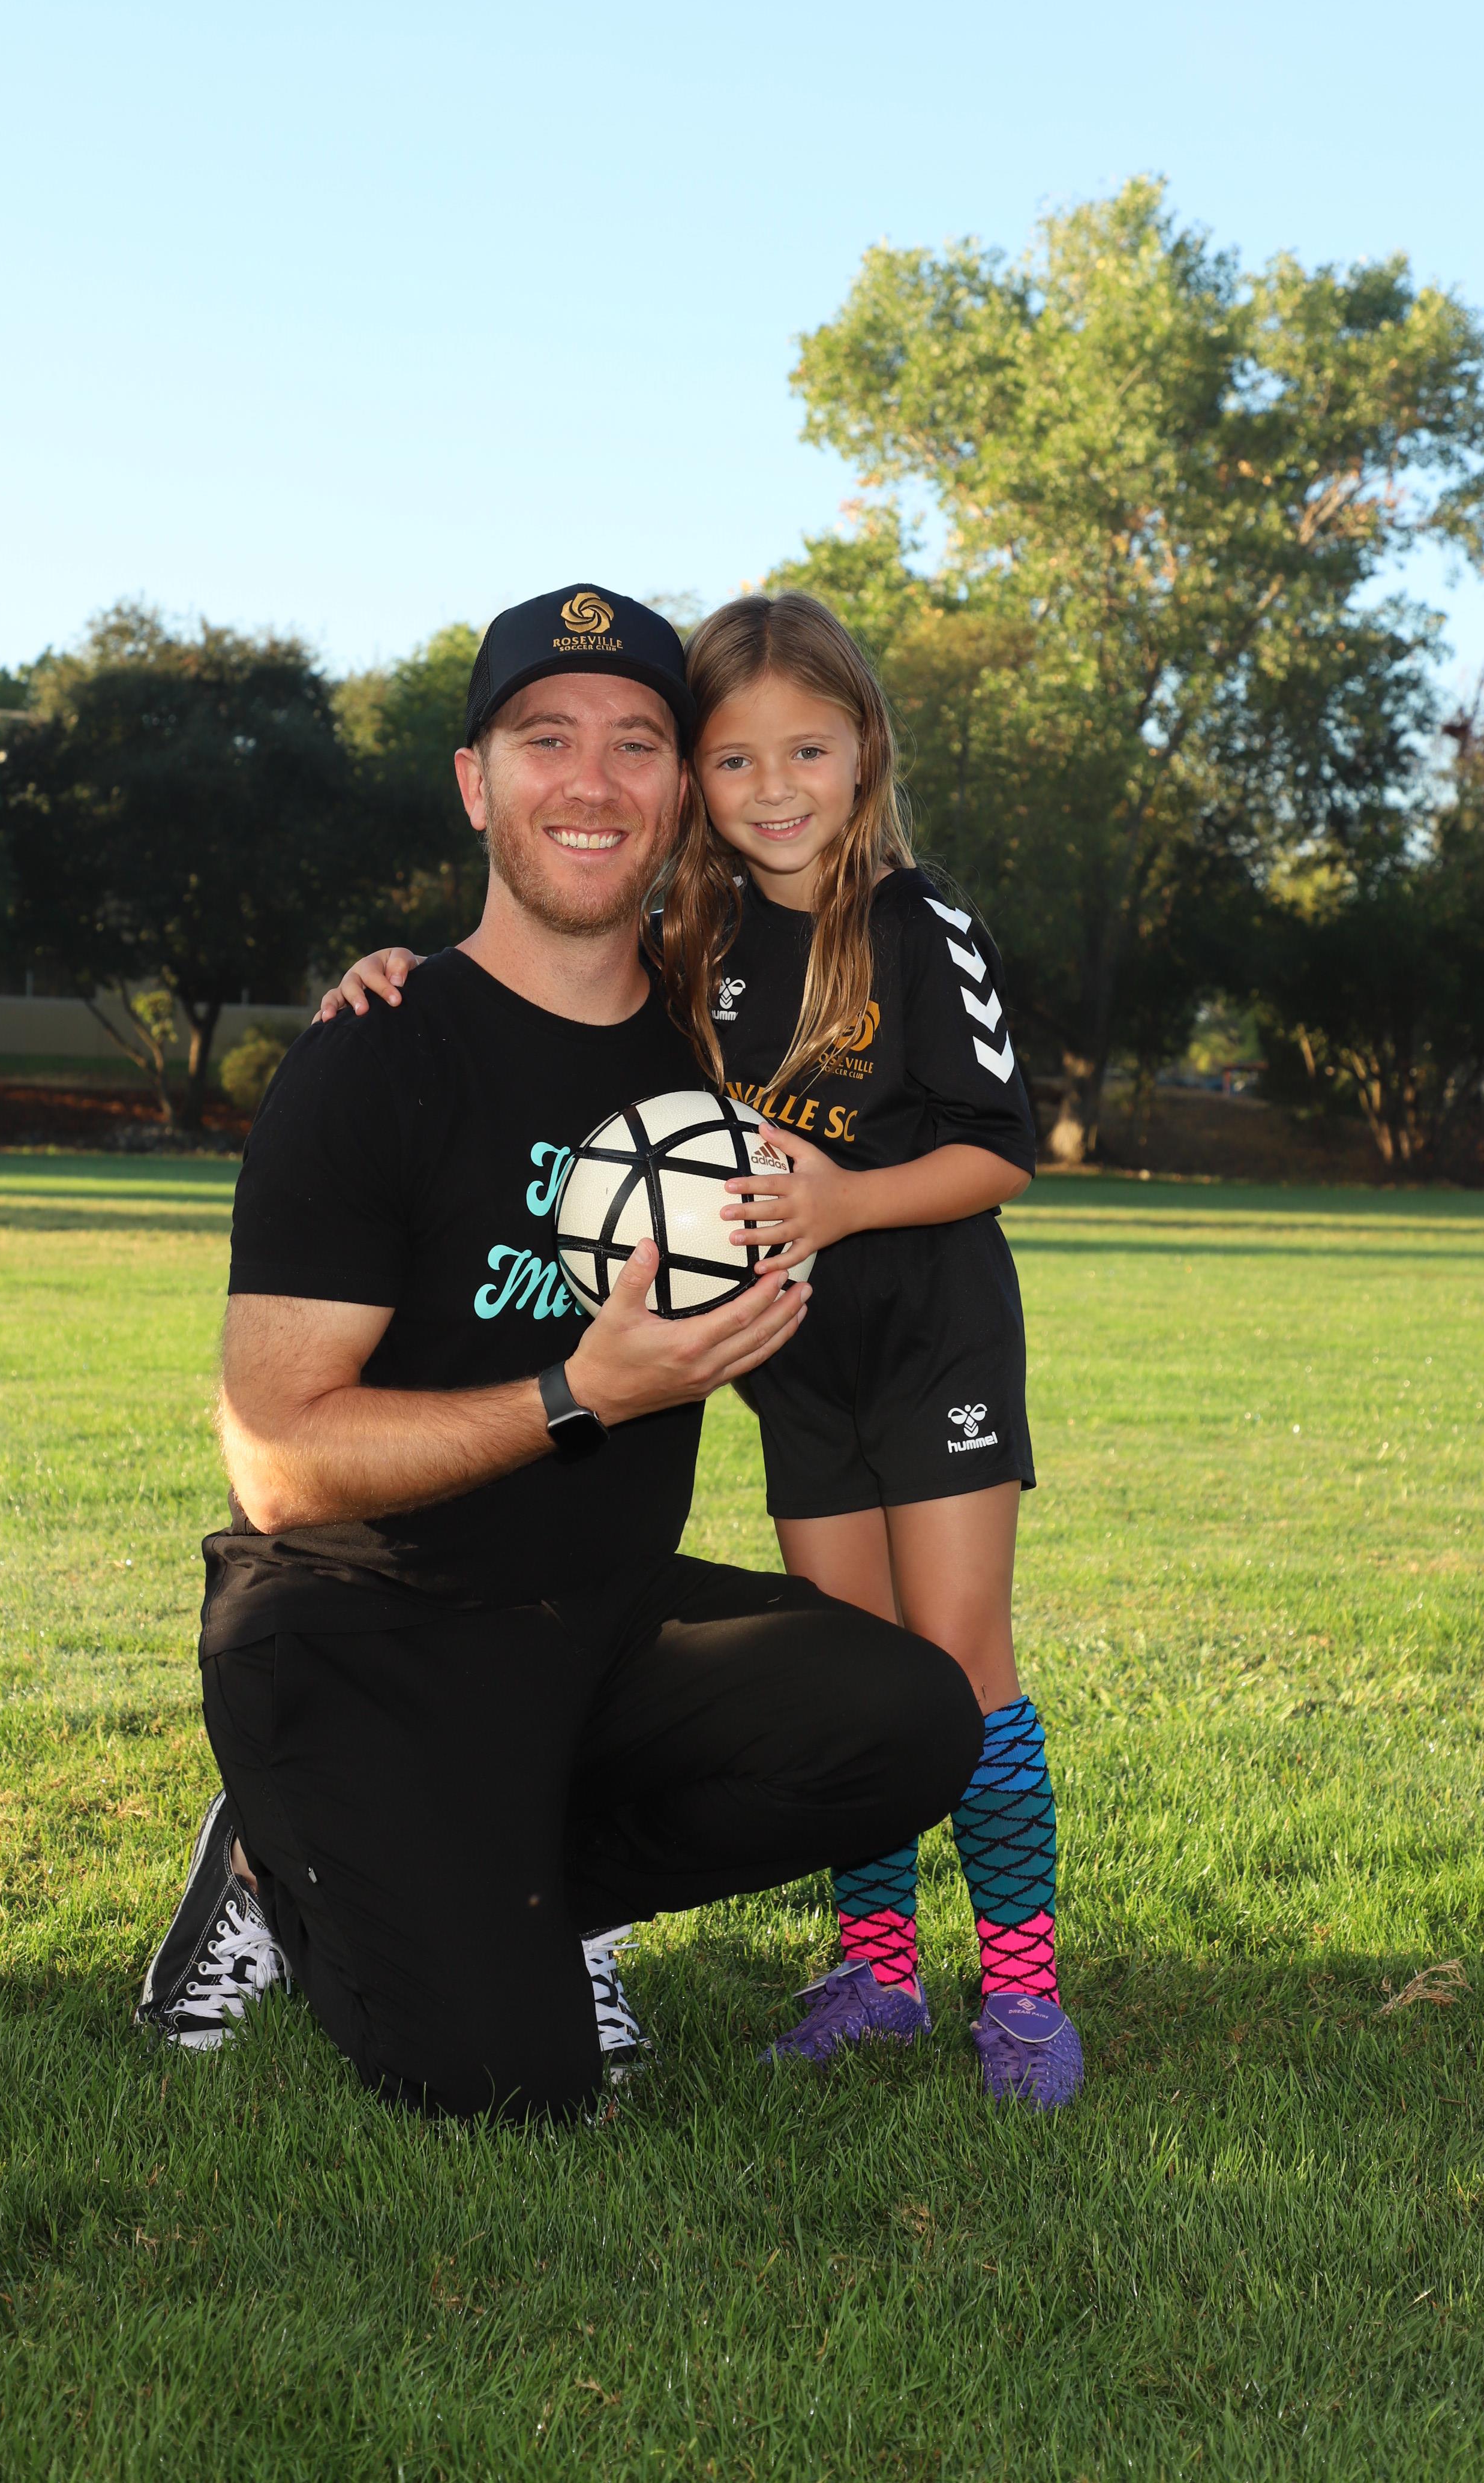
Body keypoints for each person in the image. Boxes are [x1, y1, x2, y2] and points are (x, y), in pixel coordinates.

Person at [134, 583, 983, 2122]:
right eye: (545, 739)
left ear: (682, 794)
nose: (592, 781)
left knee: (911, 1720)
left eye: (638, 743)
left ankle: (537, 1891)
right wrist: (578, 1394)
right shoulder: (374, 1052)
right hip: (360, 1631)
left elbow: (920, 1119)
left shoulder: (722, 1046)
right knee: (511, 2084)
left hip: (598, 1628)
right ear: (476, 783)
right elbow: (277, 1462)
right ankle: (270, 1861)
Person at [324, 592, 1082, 2110]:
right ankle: (878, 1974)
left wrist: (842, 1198)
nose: (774, 787)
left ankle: (1020, 1992)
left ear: (865, 750)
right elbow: (559, 998)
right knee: (862, 1666)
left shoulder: (917, 923)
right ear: (695, 783)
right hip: (786, 1352)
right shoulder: (694, 938)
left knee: (961, 1660)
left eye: (808, 750)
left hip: (931, 1342)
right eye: (734, 760)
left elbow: (1000, 1150)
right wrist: (399, 971)